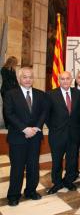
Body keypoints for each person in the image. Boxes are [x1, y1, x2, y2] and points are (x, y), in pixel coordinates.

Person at [4, 67, 48, 206]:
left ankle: (30, 191)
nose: (28, 79)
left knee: (33, 166)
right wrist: (24, 129)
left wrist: (36, 128)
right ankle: (13, 195)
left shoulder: (40, 94)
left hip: (35, 136)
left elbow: (43, 113)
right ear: (19, 79)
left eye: (30, 77)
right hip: (18, 137)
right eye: (25, 77)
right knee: (17, 167)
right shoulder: (11, 94)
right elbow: (9, 114)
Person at [46, 71, 80, 194]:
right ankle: (57, 183)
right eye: (63, 79)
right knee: (57, 160)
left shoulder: (78, 94)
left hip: (73, 134)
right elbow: (46, 115)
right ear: (59, 80)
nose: (65, 81)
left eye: (68, 79)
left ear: (71, 80)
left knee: (72, 160)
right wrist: (54, 127)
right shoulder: (50, 94)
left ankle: (68, 181)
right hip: (57, 134)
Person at [1, 56, 19, 128]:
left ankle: (11, 122)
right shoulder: (4, 69)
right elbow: (6, 81)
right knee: (6, 107)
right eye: (15, 63)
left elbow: (15, 80)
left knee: (12, 107)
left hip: (12, 91)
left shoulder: (13, 70)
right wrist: (12, 90)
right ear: (11, 62)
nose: (16, 65)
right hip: (6, 91)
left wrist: (18, 89)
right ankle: (7, 124)